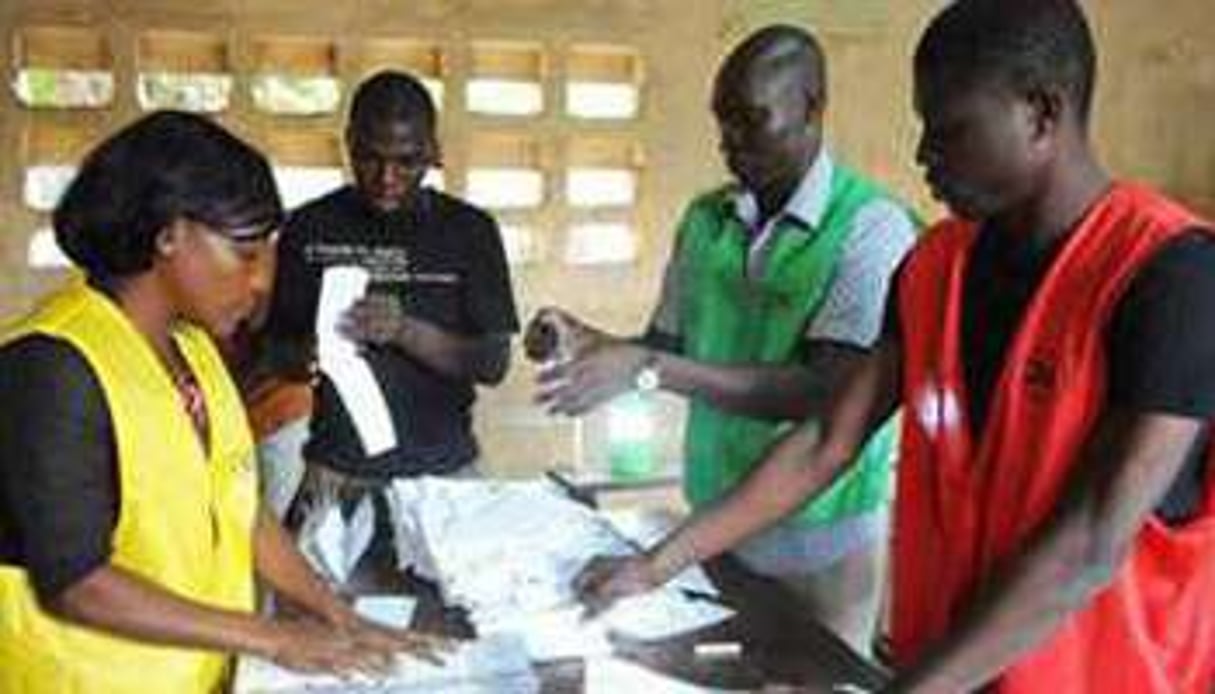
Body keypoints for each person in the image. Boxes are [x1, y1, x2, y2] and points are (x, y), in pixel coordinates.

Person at [576, 1, 1215, 690]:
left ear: (1040, 112)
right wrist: (655, 564)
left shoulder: (1167, 273)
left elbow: (1092, 539)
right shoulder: (933, 265)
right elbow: (827, 440)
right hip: (944, 663)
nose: (922, 156)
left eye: (948, 132)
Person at [0, 111, 445, 693]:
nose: (262, 281)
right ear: (168, 234)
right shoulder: (52, 366)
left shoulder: (194, 351)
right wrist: (276, 638)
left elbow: (239, 508)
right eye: (245, 253)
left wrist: (335, 613)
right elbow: (80, 583)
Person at [537, 24, 918, 653]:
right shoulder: (707, 220)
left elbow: (818, 395)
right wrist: (593, 344)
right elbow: (668, 347)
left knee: (816, 674)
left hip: (820, 540)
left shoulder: (872, 229)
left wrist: (645, 366)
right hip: (716, 524)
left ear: (813, 107)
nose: (730, 142)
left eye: (751, 120)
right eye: (722, 122)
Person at [256, 70, 519, 533]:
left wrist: (404, 331)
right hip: (335, 474)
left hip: (445, 479)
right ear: (349, 144)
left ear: (433, 151)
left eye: (407, 160)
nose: (387, 178)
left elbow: (493, 362)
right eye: (370, 158)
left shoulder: (469, 231)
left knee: (454, 604)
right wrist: (308, 355)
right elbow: (276, 351)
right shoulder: (309, 228)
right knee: (314, 602)